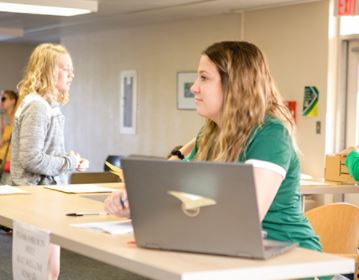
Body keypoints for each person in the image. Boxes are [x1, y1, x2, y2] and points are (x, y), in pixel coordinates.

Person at [105, 41, 322, 252]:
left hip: (291, 258)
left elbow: (243, 216)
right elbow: (183, 197)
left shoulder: (271, 134)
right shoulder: (210, 133)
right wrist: (138, 206)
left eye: (204, 78)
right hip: (232, 251)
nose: (194, 87)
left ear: (236, 85)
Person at [11, 43, 89, 279]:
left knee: (49, 272)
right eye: (65, 69)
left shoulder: (46, 106)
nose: (71, 74)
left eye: (71, 69)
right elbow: (31, 159)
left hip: (43, 197)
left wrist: (69, 160)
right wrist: (68, 162)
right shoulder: (37, 107)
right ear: (46, 71)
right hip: (36, 200)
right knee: (41, 273)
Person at [0, 90, 18, 184]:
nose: (1, 102)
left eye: (4, 99)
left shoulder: (16, 119)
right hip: (3, 160)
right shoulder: (7, 119)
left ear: (13, 101)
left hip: (9, 162)